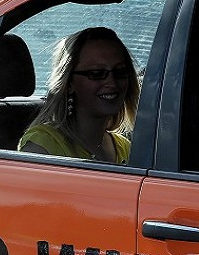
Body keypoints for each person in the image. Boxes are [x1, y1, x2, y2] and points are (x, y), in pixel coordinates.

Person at [19, 26, 139, 163]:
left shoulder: (125, 147)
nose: (112, 83)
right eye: (96, 74)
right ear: (69, 83)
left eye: (120, 72)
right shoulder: (43, 146)